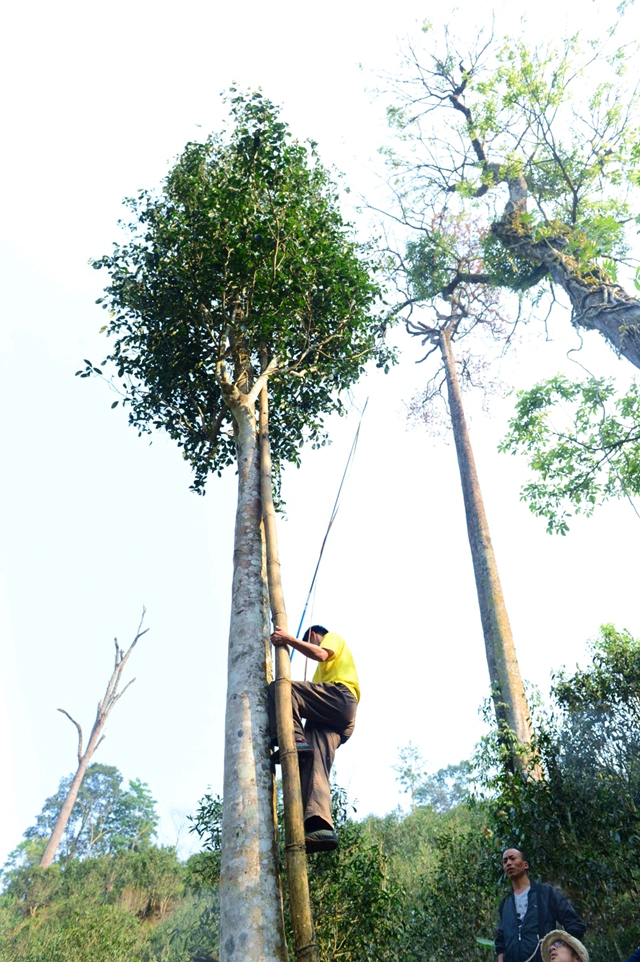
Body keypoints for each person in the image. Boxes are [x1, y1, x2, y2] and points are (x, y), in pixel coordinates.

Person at [269, 624, 359, 854]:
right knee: (314, 768)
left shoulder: (332, 638)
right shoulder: (321, 673)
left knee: (282, 689)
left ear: (314, 636)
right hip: (332, 720)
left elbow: (319, 653)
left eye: (309, 640)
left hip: (340, 698)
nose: (310, 643)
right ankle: (320, 826)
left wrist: (288, 639)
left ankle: (294, 740)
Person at [495, 848, 586, 962]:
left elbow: (574, 924)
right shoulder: (505, 903)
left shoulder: (545, 893)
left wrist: (561, 951)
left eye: (512, 858)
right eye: (505, 861)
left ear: (525, 865)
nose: (508, 863)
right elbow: (500, 941)